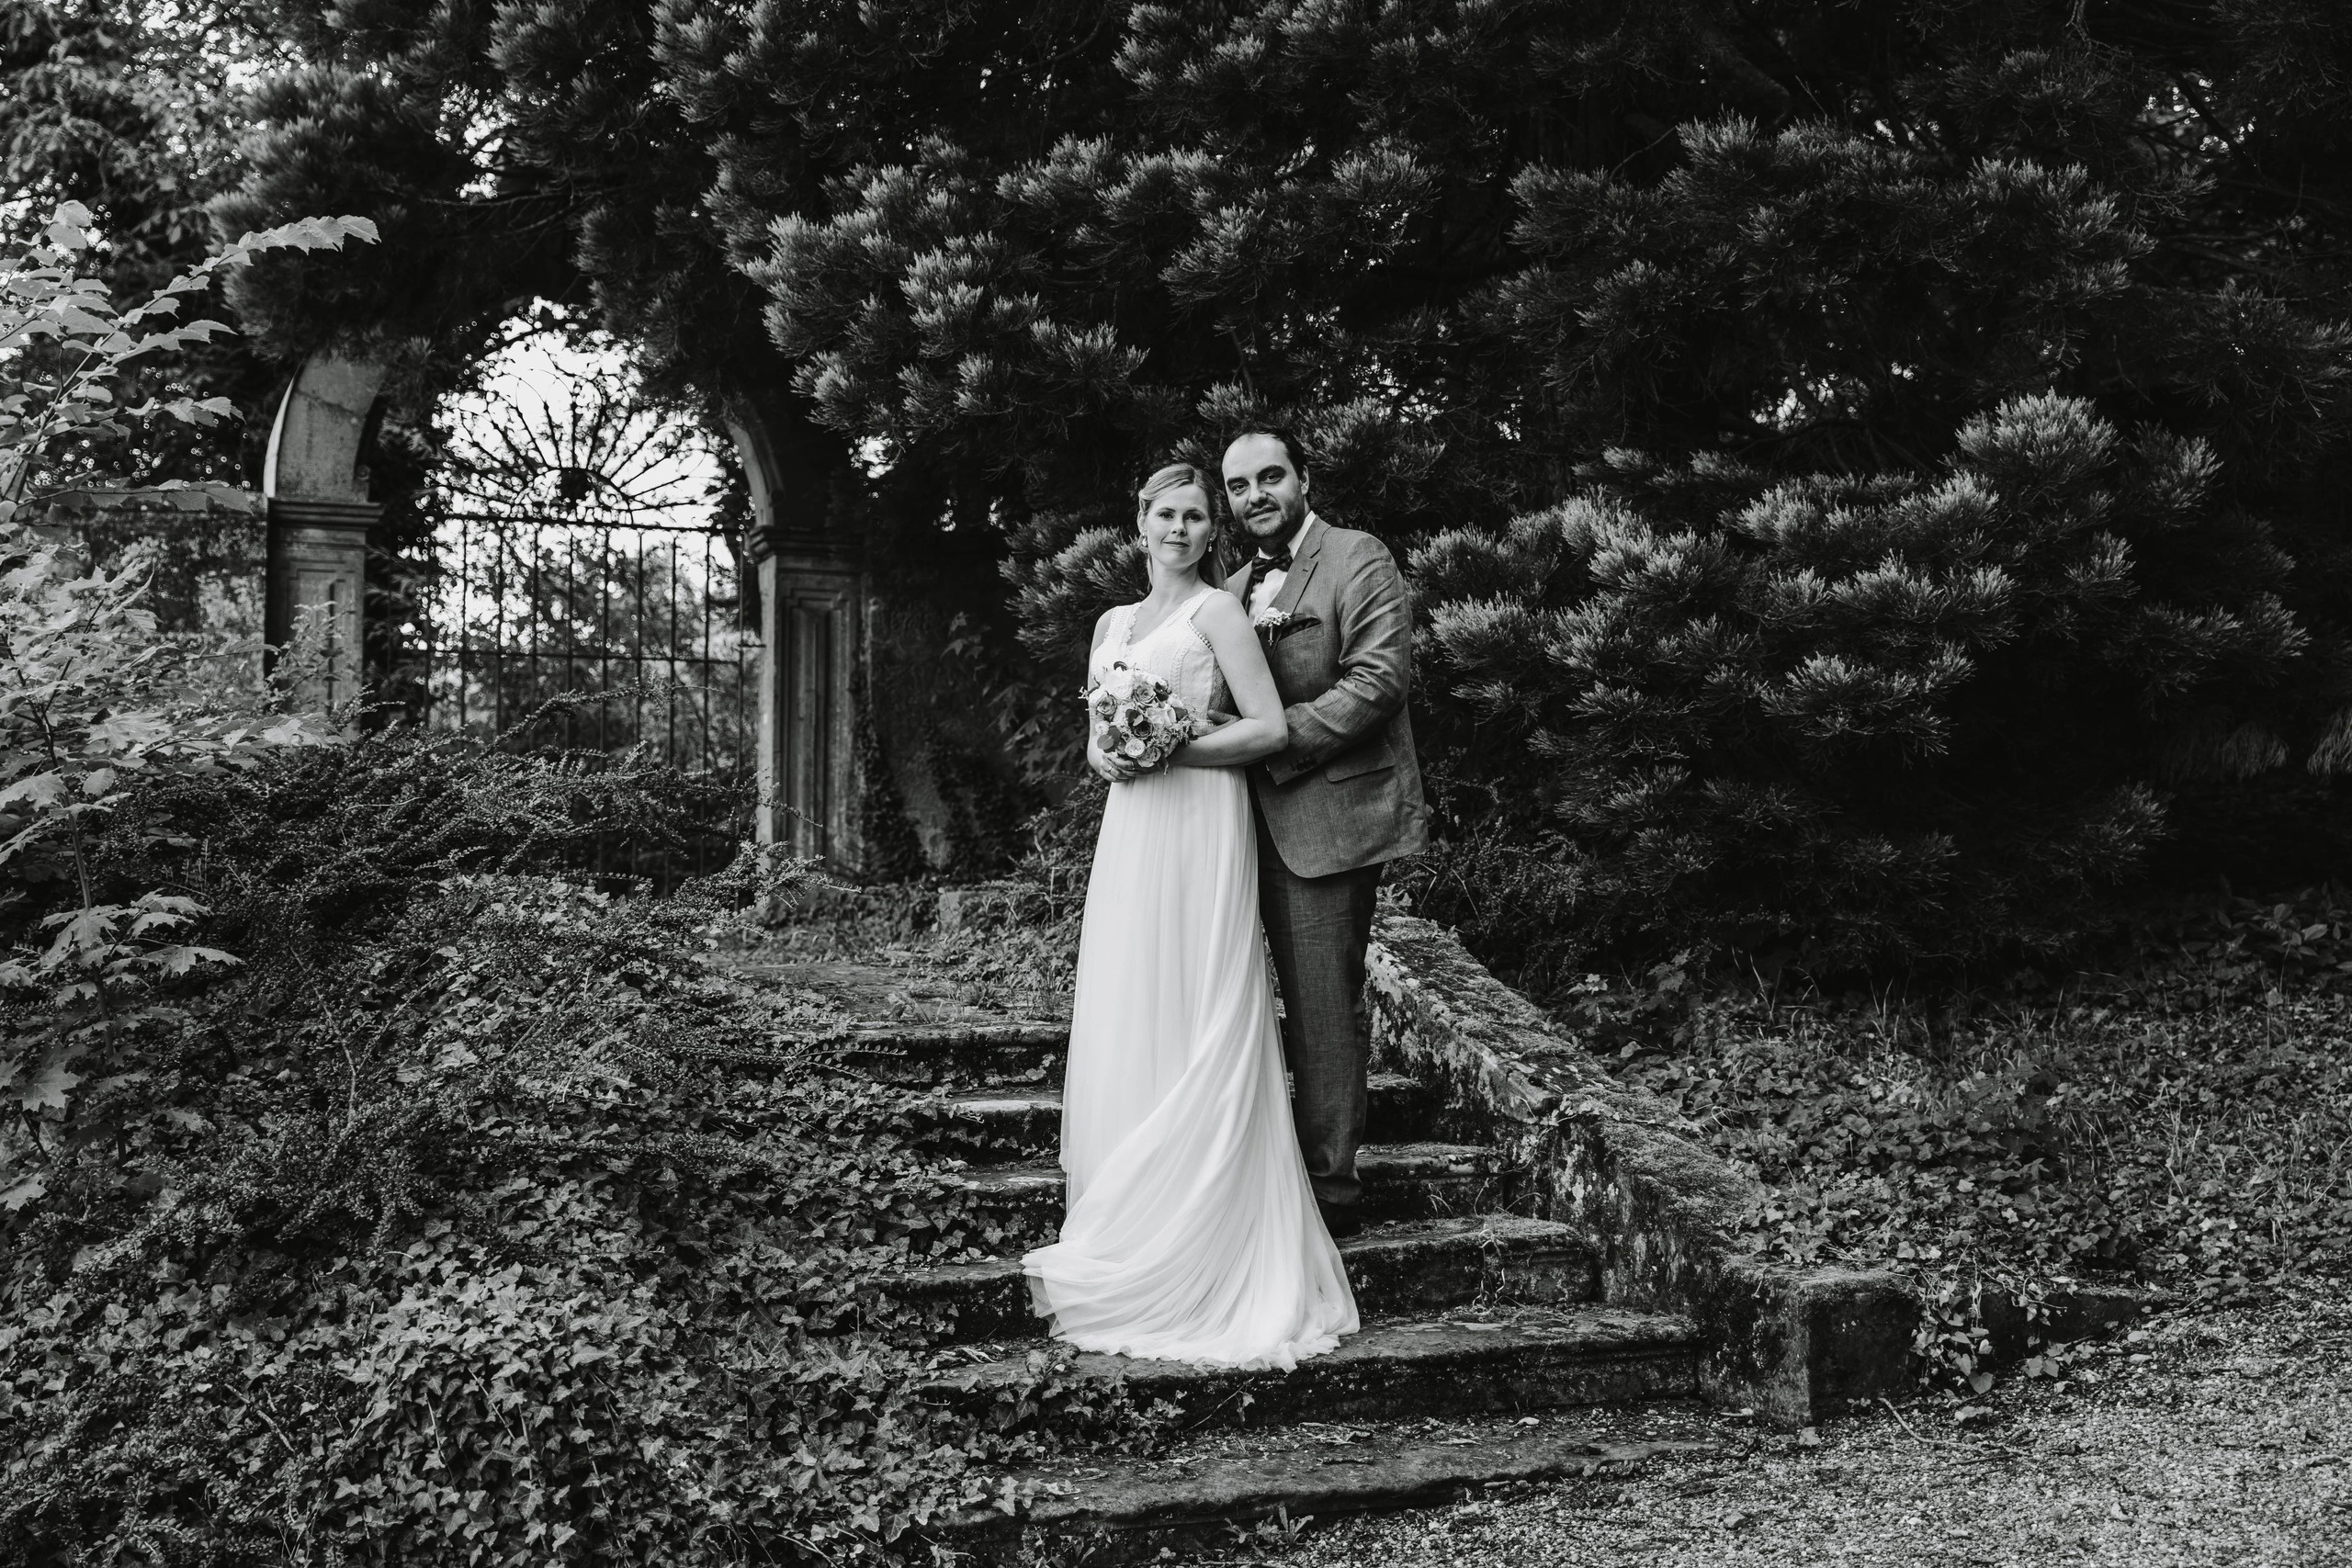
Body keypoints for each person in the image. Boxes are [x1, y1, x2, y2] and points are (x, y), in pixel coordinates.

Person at [1021, 463, 1360, 1370]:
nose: (1179, 527)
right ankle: (1130, 1215)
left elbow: (1268, 728)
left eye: (1194, 516)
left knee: (1201, 993)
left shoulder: (1216, 614)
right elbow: (1097, 748)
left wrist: (1173, 746)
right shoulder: (1109, 625)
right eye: (1164, 513)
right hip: (1133, 829)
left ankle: (1206, 1224)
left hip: (1200, 820)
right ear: (1138, 524)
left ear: (1210, 532)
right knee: (1134, 996)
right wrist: (1119, 753)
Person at [1220, 428, 1430, 1241]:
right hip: (1235, 827)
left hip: (1326, 820)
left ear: (1303, 478)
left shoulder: (1356, 557)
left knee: (1319, 1008)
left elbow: (1378, 682)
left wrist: (1272, 740)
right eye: (1239, 486)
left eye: (1270, 476)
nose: (1255, 495)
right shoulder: (1233, 586)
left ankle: (1330, 1191)